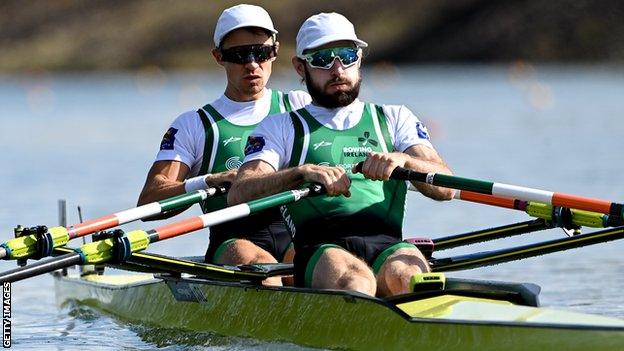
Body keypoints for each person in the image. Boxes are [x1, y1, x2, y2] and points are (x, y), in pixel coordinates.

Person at [228, 12, 454, 296]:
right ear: (300, 67)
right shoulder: (280, 127)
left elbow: (446, 189)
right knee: (356, 282)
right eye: (323, 59)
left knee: (409, 276)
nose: (337, 69)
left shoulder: (395, 118)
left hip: (388, 244)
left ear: (359, 59)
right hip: (320, 249)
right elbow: (240, 192)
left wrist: (405, 160)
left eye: (347, 56)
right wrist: (300, 173)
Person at [137, 4, 310, 285]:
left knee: (309, 266)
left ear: (275, 51)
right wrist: (207, 181)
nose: (252, 64)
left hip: (296, 234)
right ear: (219, 57)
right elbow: (149, 200)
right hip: (233, 241)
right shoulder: (196, 125)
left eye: (261, 52)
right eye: (239, 55)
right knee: (265, 271)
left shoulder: (300, 107)